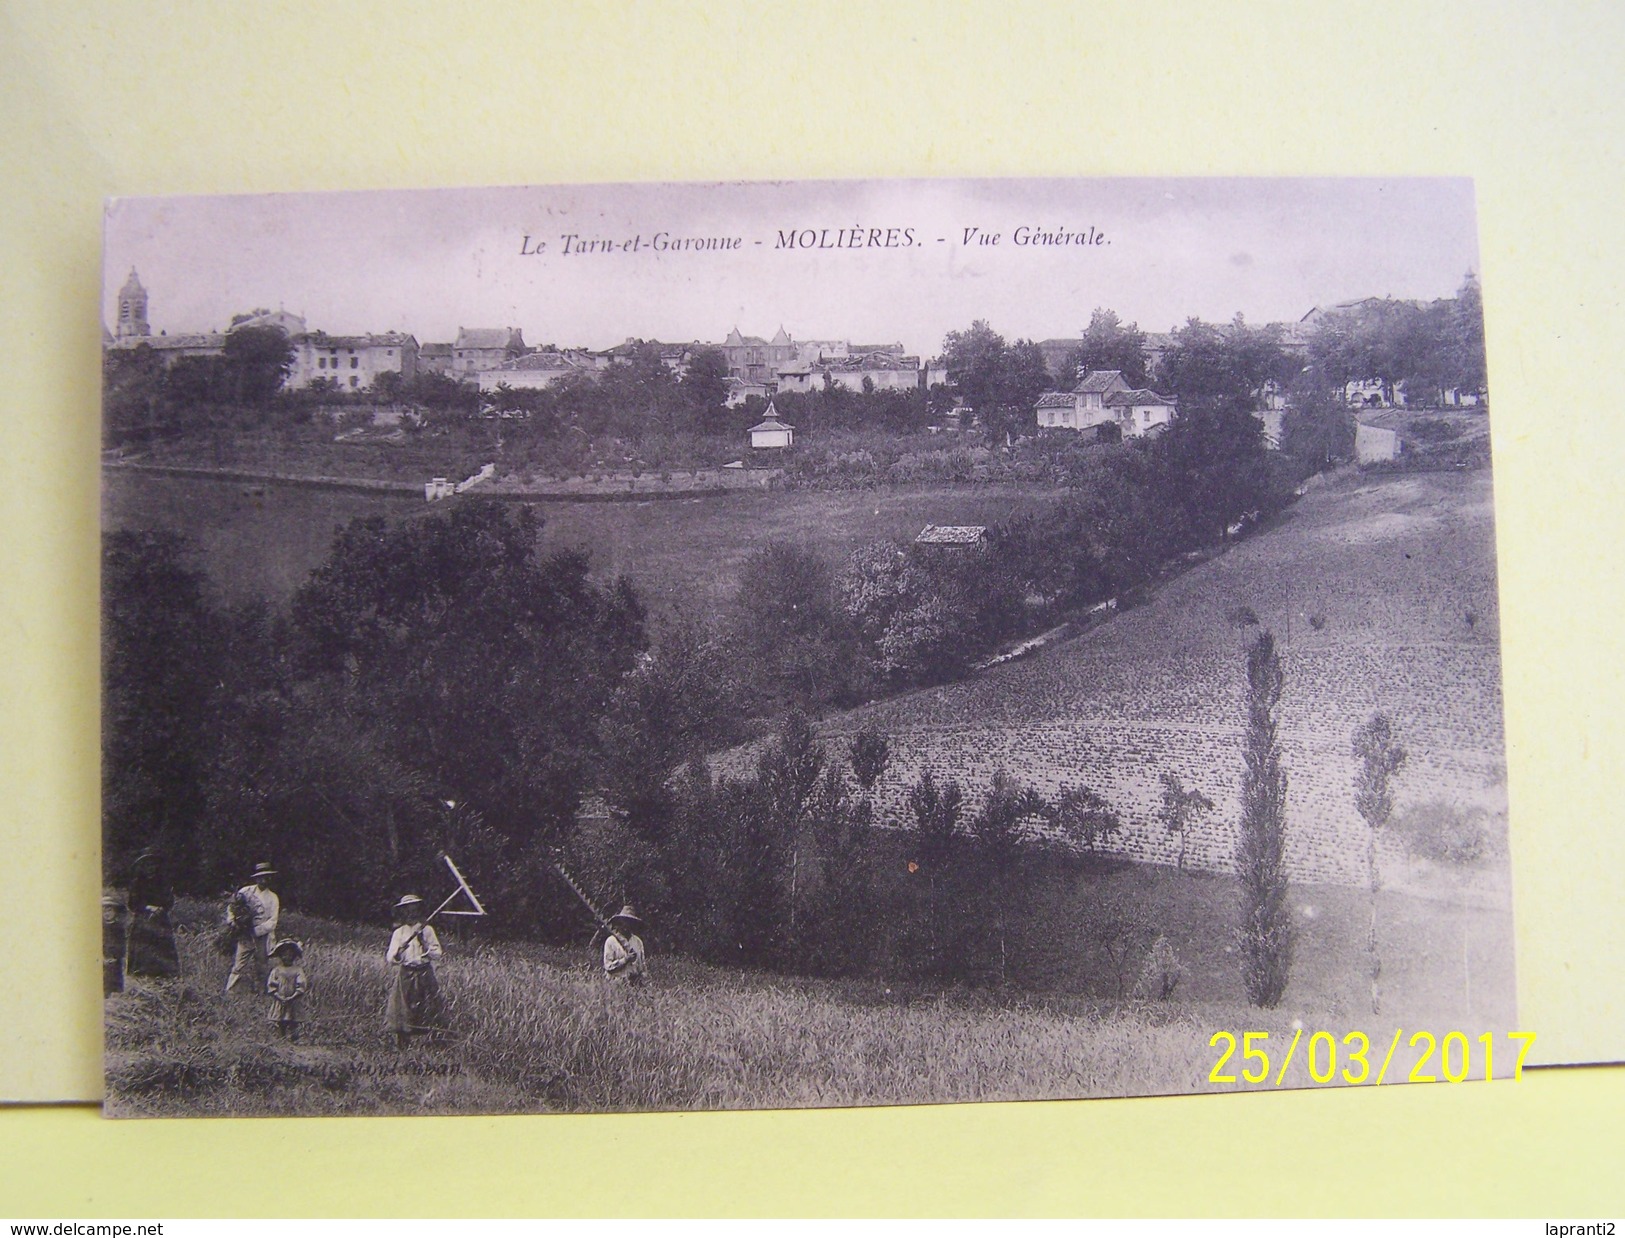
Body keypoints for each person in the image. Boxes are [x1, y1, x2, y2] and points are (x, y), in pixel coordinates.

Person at [385, 894, 445, 1049]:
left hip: (424, 973)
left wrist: (425, 946)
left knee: (427, 1006)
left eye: (414, 909)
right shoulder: (399, 932)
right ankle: (403, 1044)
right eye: (407, 910)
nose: (411, 913)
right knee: (404, 1008)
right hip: (406, 973)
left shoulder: (427, 930)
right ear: (403, 912)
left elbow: (437, 953)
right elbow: (391, 958)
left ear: (418, 910)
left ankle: (429, 1045)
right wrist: (399, 951)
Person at [225, 862, 281, 994]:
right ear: (256, 878)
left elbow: (273, 921)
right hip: (245, 935)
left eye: (267, 877)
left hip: (262, 936)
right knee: (239, 963)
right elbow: (231, 907)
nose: (264, 880)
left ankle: (260, 992)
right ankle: (230, 991)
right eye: (261, 877)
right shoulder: (245, 892)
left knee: (261, 966)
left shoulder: (273, 898)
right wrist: (232, 920)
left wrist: (256, 931)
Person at [124, 849, 180, 979]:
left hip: (160, 920)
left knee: (162, 950)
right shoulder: (137, 883)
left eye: (153, 864)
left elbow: (169, 900)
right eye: (147, 865)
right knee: (142, 950)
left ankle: (164, 978)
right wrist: (147, 907)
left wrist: (161, 908)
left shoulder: (163, 882)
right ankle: (140, 977)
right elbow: (132, 904)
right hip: (143, 920)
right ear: (142, 867)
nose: (150, 868)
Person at [265, 939, 307, 1041]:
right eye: (284, 955)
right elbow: (271, 985)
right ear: (280, 956)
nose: (287, 957)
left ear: (294, 956)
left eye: (290, 955)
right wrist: (278, 996)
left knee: (294, 1020)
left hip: (294, 1000)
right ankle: (281, 1038)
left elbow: (301, 984)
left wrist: (293, 996)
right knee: (281, 1020)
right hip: (280, 999)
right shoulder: (276, 970)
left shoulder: (298, 970)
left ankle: (294, 1038)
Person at [601, 904, 647, 987]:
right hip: (616, 985)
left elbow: (642, 968)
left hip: (634, 986)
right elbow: (608, 967)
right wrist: (626, 959)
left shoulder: (637, 942)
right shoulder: (611, 941)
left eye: (630, 922)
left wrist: (641, 979)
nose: (626, 925)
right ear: (619, 923)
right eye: (624, 921)